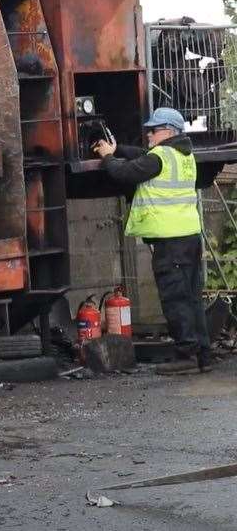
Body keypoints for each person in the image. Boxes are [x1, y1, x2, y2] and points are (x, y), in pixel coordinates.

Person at [93, 107, 210, 375]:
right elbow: (143, 157)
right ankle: (202, 354)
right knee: (192, 297)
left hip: (171, 242)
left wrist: (109, 157)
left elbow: (125, 173)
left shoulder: (160, 157)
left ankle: (186, 355)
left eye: (154, 130)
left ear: (168, 131)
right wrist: (118, 148)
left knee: (175, 299)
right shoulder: (183, 155)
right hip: (189, 237)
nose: (148, 134)